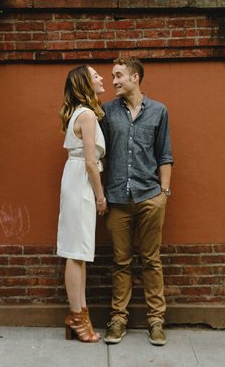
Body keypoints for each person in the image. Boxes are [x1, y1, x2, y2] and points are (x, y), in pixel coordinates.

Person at [100, 57, 173, 346]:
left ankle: (156, 321)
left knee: (151, 261)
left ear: (135, 77)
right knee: (121, 262)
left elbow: (165, 155)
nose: (114, 81)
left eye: (118, 75)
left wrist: (163, 195)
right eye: (112, 76)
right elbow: (100, 154)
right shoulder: (106, 112)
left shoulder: (158, 111)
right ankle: (118, 319)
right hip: (117, 199)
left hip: (149, 197)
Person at [56, 64, 109, 343]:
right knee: (76, 252)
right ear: (85, 84)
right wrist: (100, 197)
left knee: (80, 252)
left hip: (76, 180)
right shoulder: (87, 114)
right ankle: (77, 317)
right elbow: (91, 162)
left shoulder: (81, 112)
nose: (102, 78)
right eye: (95, 75)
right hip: (82, 183)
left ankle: (79, 315)